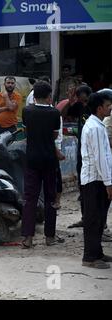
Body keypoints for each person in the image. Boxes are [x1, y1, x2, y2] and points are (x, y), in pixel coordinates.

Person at [21, 81, 63, 249]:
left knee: (30, 198)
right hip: (49, 160)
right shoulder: (54, 113)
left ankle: (28, 237)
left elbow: (26, 132)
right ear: (48, 96)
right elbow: (54, 135)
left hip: (31, 159)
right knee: (50, 198)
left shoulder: (27, 111)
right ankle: (49, 236)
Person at [80, 92, 112, 269]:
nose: (110, 108)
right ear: (99, 108)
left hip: (98, 178)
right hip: (95, 180)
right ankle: (90, 257)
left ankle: (97, 252)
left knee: (99, 218)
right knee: (93, 219)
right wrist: (108, 183)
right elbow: (101, 158)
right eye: (108, 105)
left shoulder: (96, 125)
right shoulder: (95, 128)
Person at [66, 85, 93, 229]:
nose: (78, 97)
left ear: (86, 95)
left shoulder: (95, 106)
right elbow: (64, 114)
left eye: (79, 95)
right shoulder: (78, 106)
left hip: (92, 151)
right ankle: (84, 218)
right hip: (81, 150)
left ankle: (98, 223)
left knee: (93, 188)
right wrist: (70, 101)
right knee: (82, 186)